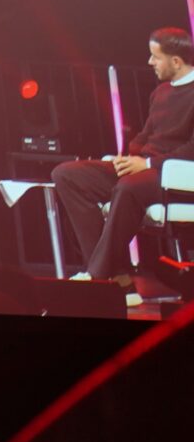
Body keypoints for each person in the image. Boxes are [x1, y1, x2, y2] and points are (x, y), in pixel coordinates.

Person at [52, 27, 194, 302]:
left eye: (156, 57)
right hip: (145, 168)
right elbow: (145, 136)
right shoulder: (161, 93)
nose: (150, 62)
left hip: (173, 173)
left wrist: (149, 163)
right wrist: (127, 157)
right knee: (66, 175)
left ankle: (97, 276)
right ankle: (118, 278)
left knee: (128, 187)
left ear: (176, 61)